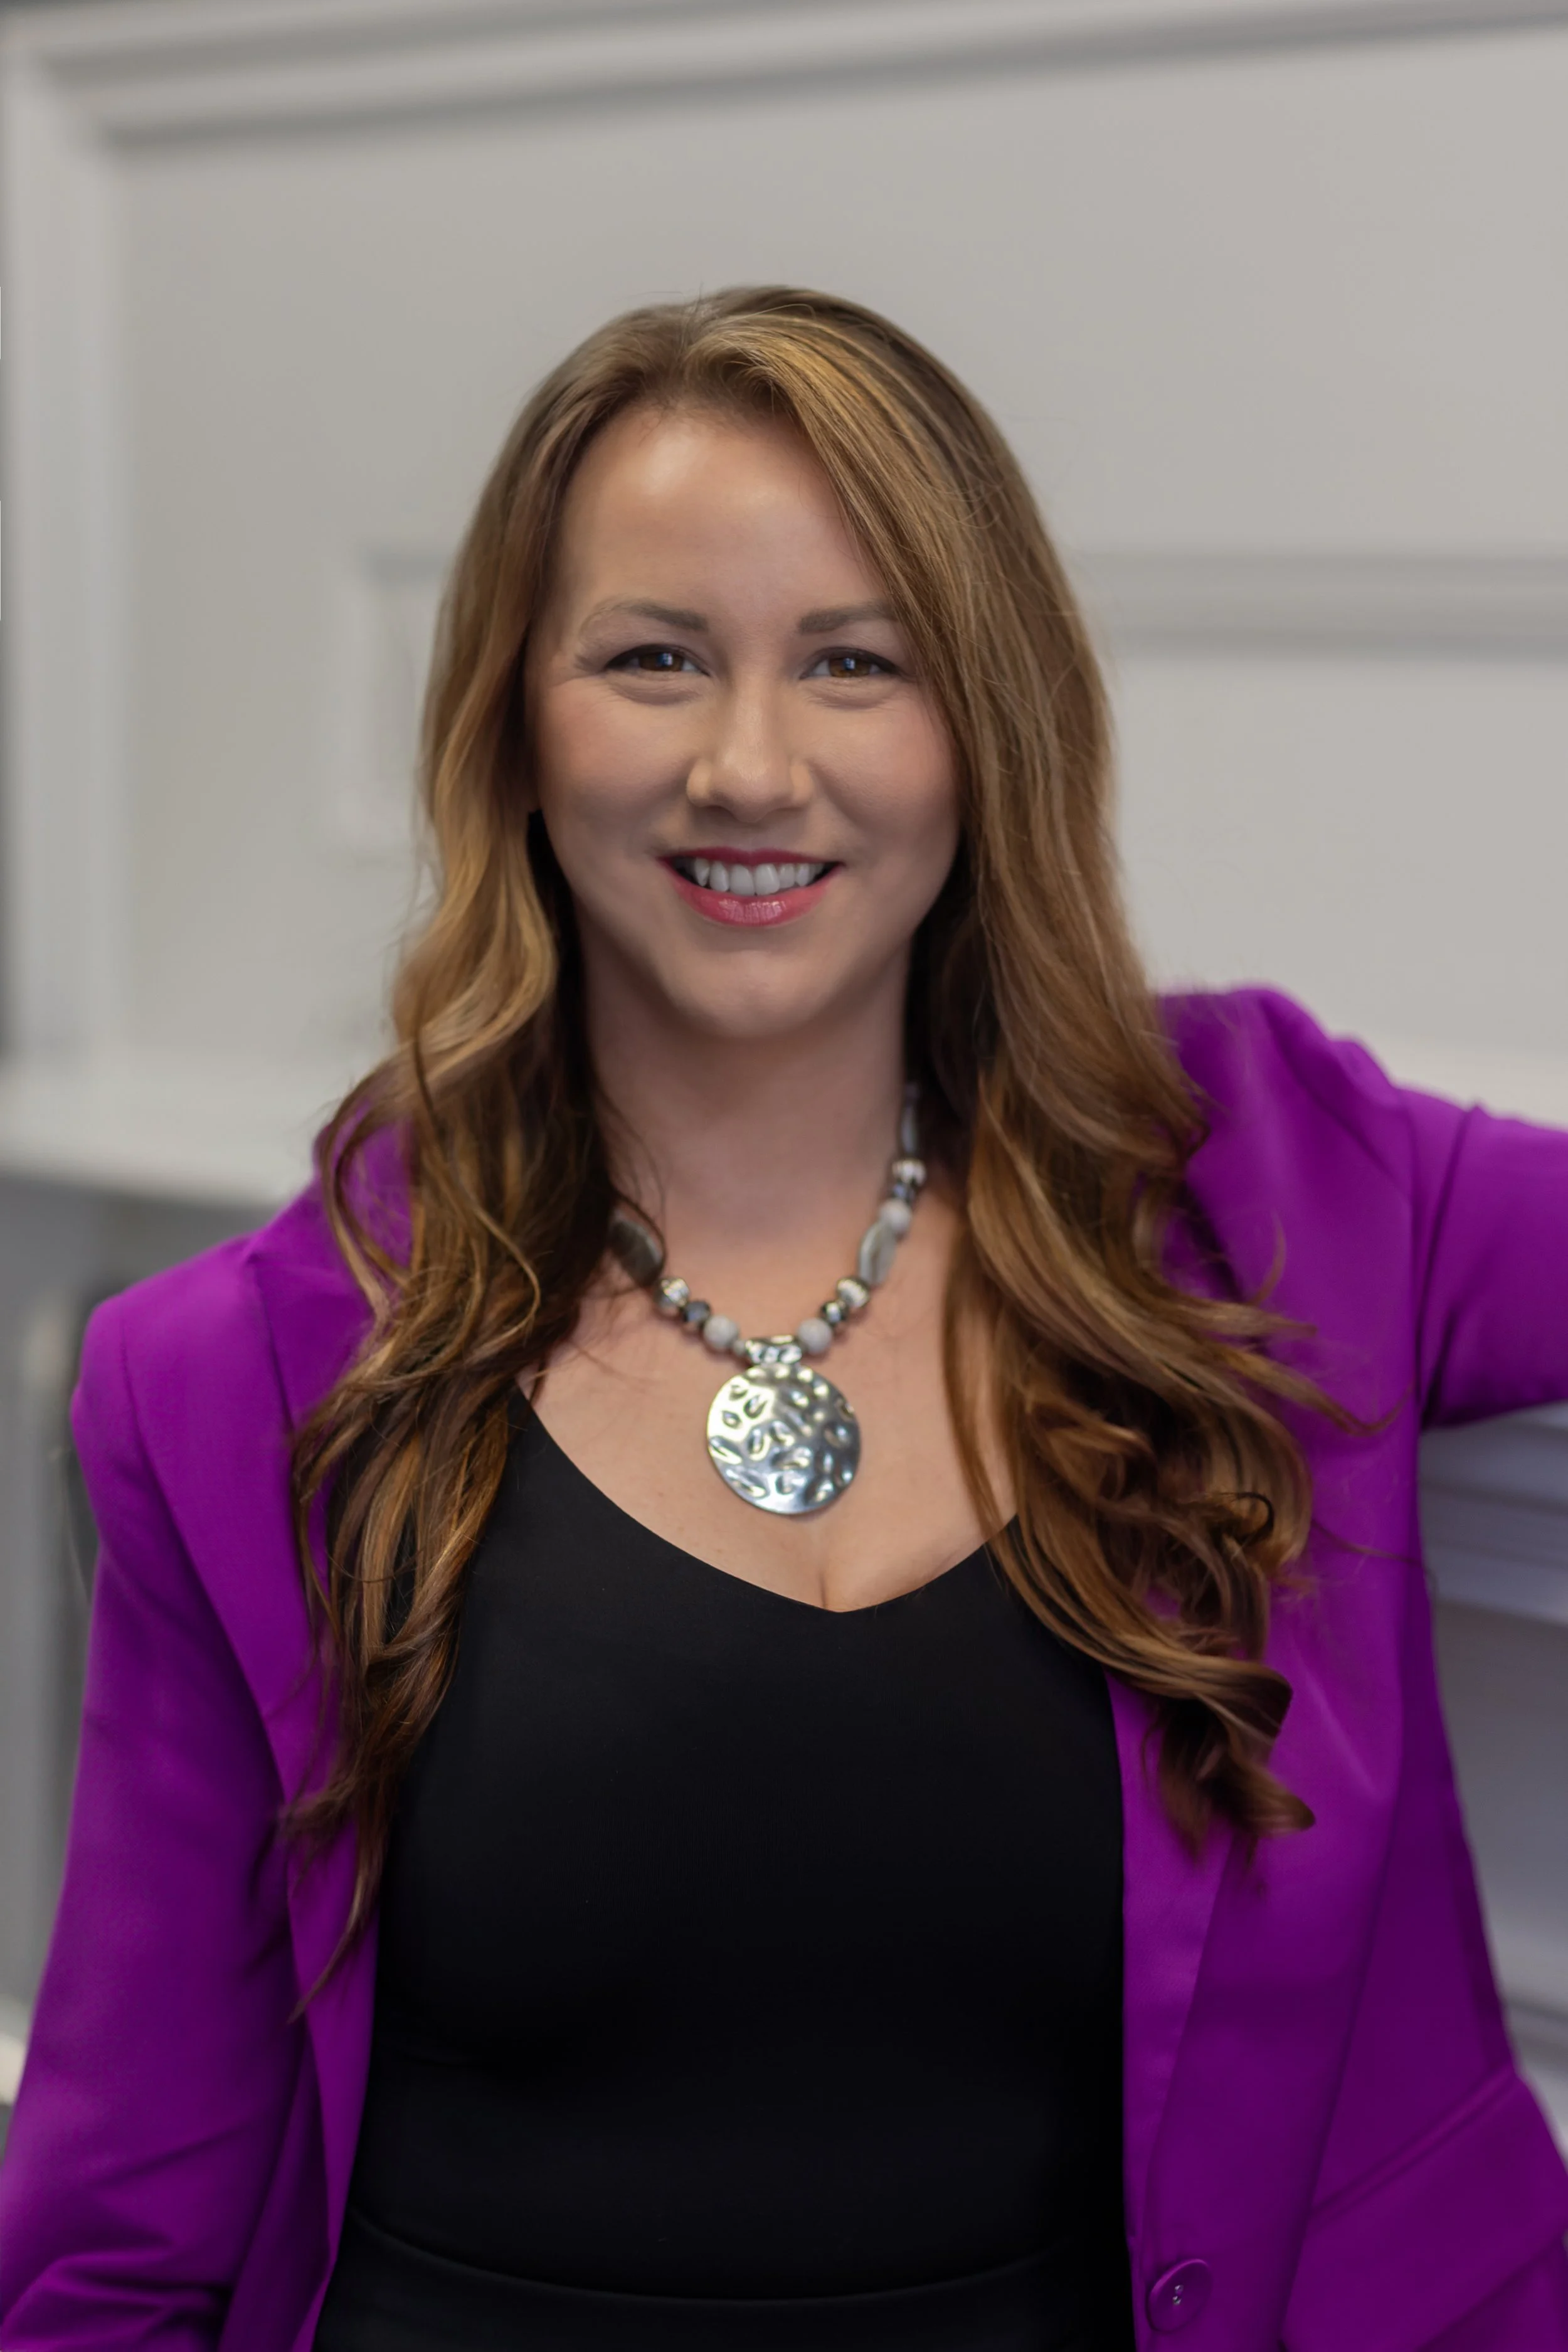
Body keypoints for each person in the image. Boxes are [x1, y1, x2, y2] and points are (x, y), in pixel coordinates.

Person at [1, 287, 1565, 2352]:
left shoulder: (1283, 1184)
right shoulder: (228, 1379)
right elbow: (128, 2215)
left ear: (980, 722)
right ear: (514, 720)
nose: (752, 766)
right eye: (653, 657)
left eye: (855, 661)